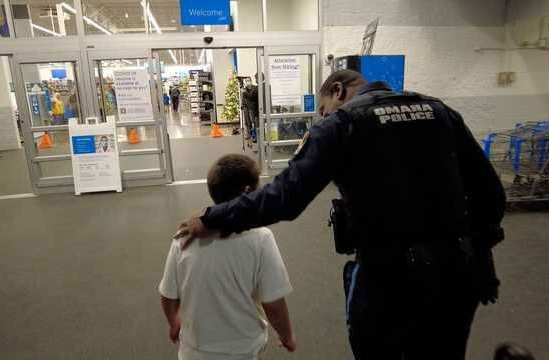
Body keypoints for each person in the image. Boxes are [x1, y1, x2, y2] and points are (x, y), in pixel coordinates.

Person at [175, 69, 506, 359]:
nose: (322, 116)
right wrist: (471, 246)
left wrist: (212, 217)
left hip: (388, 279)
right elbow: (492, 195)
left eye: (322, 109)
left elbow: (284, 197)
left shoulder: (344, 123)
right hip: (457, 275)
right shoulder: (440, 111)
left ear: (338, 91)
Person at [159, 154, 296, 360]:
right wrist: (287, 335)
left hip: (193, 351)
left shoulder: (184, 236)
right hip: (245, 350)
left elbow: (168, 294)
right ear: (248, 192)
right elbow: (273, 303)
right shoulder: (261, 238)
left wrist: (174, 321)